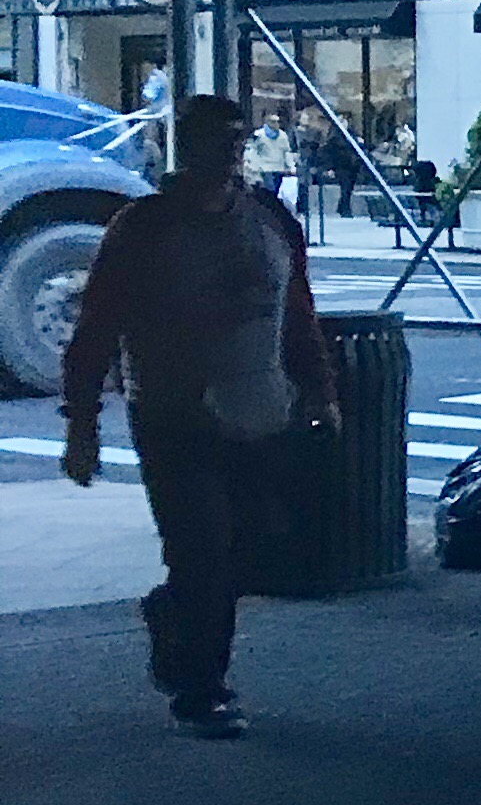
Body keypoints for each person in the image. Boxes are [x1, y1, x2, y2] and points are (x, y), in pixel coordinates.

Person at [58, 94, 341, 738]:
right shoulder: (142, 229)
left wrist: (319, 390)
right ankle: (203, 687)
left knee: (249, 544)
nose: (229, 153)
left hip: (260, 407)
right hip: (173, 414)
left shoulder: (269, 219)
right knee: (203, 549)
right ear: (184, 147)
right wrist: (82, 426)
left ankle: (176, 618)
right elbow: (96, 328)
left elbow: (295, 311)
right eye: (215, 140)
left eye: (236, 140)